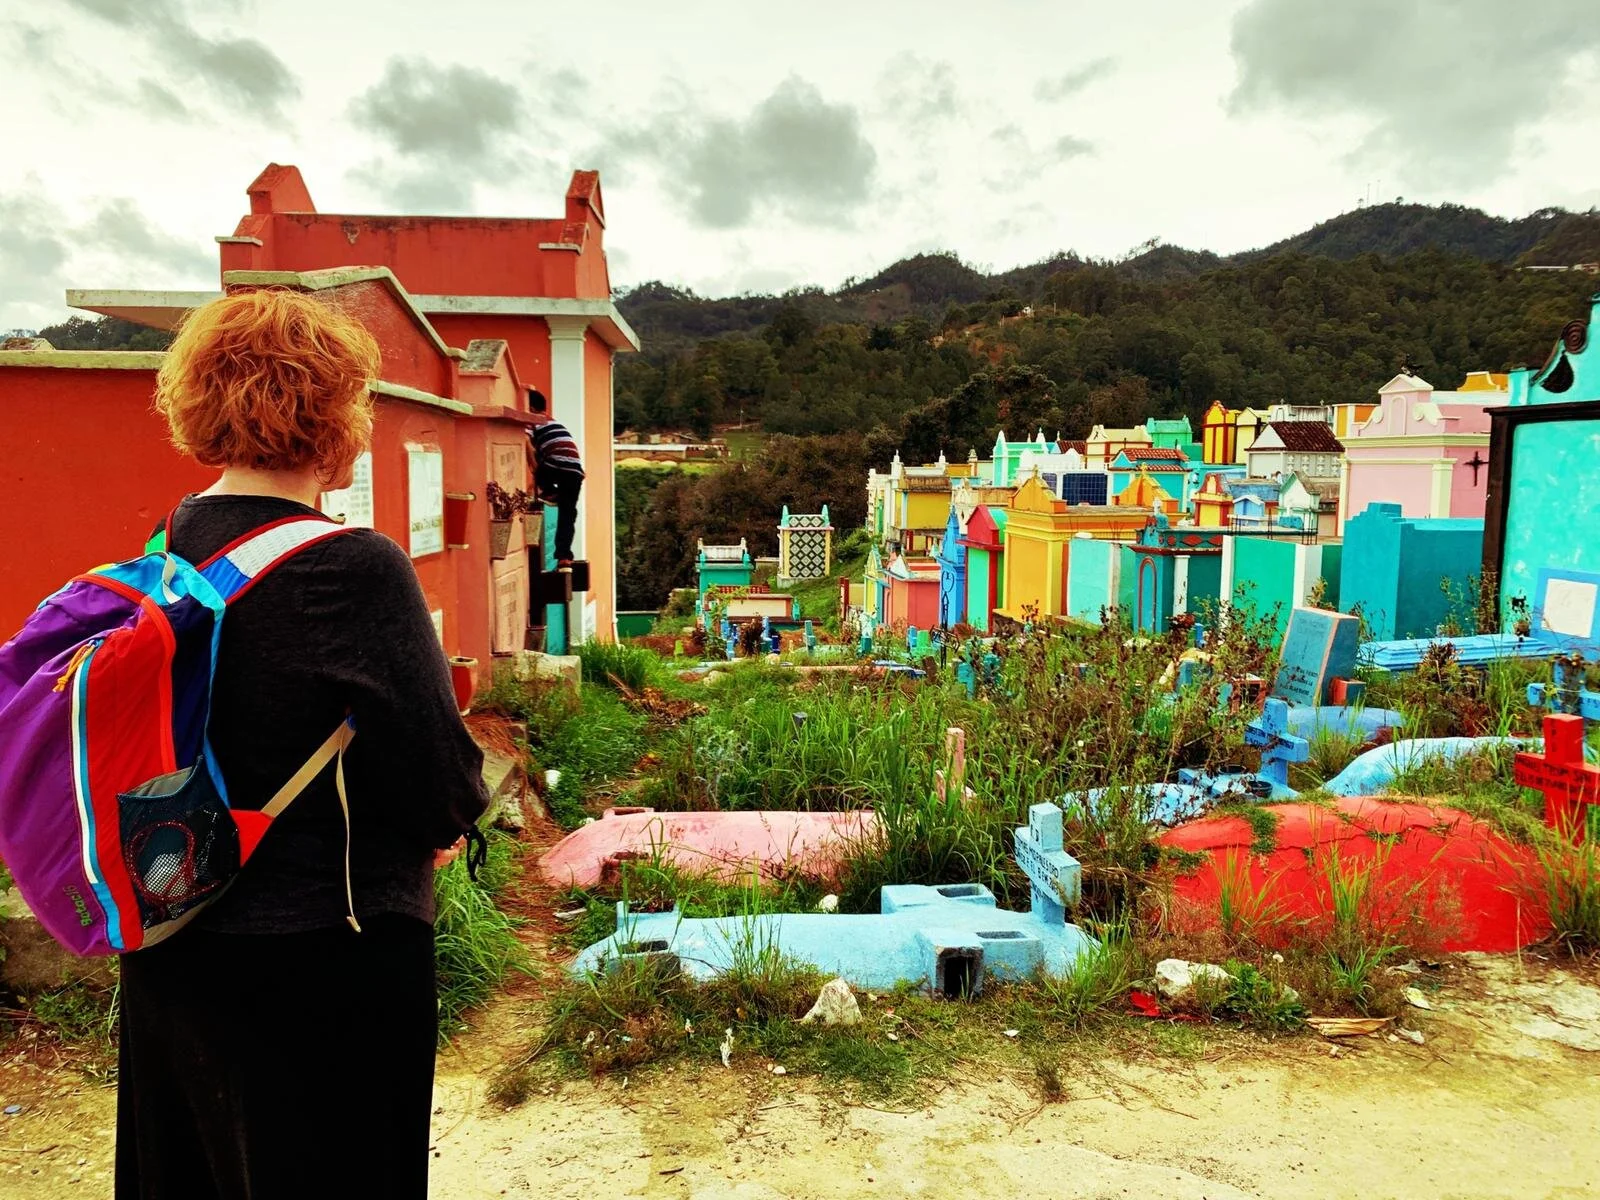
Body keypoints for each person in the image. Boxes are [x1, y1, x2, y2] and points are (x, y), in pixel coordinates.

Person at [116, 288, 489, 1199]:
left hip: (172, 933)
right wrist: (449, 814)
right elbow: (442, 780)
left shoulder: (164, 552)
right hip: (327, 951)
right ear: (337, 419)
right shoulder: (353, 567)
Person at [524, 388, 584, 565]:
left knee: (542, 462)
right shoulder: (555, 422)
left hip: (555, 465)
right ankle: (564, 556)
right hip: (575, 470)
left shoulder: (532, 420)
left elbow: (526, 442)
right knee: (568, 513)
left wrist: (535, 472)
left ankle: (550, 492)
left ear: (531, 408)